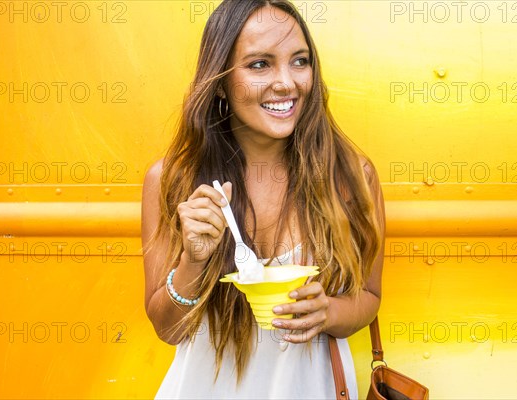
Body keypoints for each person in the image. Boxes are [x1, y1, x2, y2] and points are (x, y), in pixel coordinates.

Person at [141, 0, 385, 398]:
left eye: (300, 61)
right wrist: (194, 260)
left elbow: (369, 298)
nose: (287, 83)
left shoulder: (351, 177)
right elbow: (168, 329)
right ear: (220, 81)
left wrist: (328, 312)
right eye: (260, 65)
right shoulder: (172, 180)